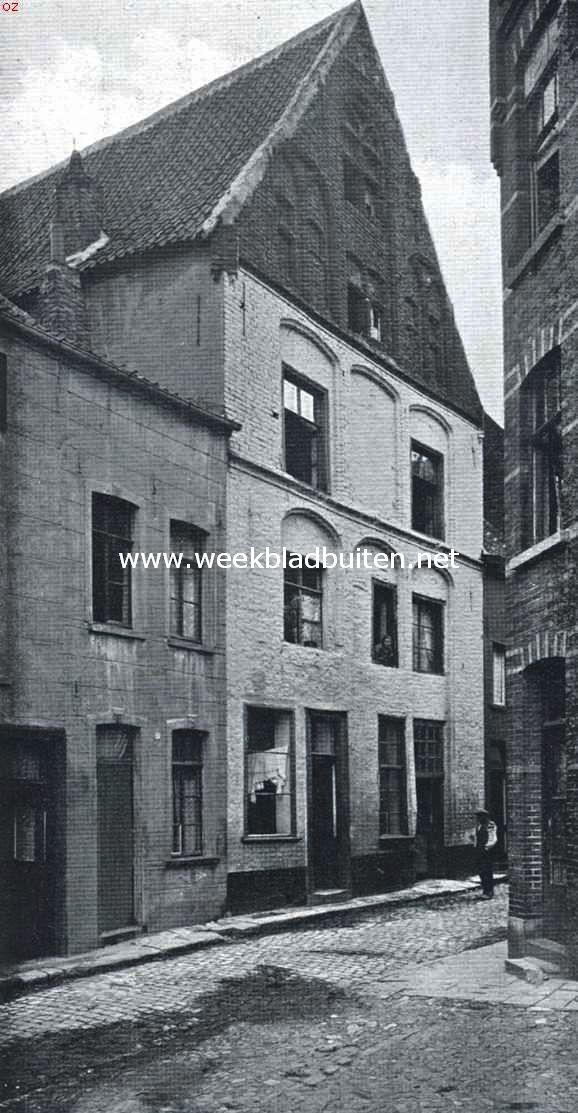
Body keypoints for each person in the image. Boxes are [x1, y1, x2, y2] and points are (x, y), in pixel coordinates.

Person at [475, 809, 497, 899]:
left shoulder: (490, 825)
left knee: (487, 871)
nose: (478, 818)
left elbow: (493, 838)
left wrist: (487, 847)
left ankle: (489, 891)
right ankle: (485, 890)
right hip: (479, 850)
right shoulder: (479, 825)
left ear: (484, 816)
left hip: (487, 851)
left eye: (479, 816)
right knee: (481, 871)